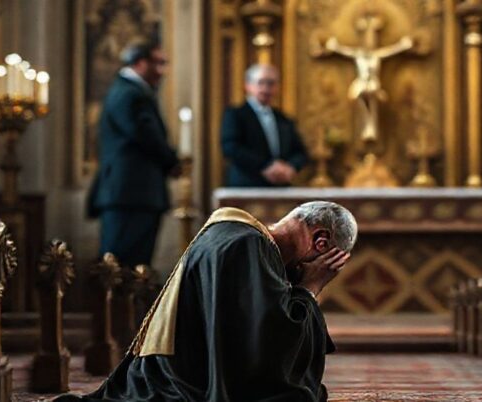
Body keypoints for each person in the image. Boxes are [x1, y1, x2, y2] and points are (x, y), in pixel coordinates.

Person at [57, 201, 357, 401]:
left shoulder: (239, 235)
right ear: (321, 242)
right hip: (180, 386)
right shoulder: (251, 248)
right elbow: (269, 343)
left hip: (168, 373)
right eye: (326, 262)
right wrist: (311, 287)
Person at [86, 40, 180, 268]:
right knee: (121, 268)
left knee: (132, 269)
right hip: (131, 194)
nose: (162, 71)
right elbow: (144, 135)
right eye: (157, 63)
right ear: (139, 63)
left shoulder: (130, 91)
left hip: (133, 194)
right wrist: (172, 161)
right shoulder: (129, 94)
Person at [221, 64, 309, 187]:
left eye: (271, 83)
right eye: (261, 82)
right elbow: (231, 147)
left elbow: (300, 152)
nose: (266, 88)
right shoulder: (236, 115)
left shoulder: (283, 119)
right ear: (248, 86)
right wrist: (265, 166)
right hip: (246, 186)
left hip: (280, 187)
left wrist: (290, 167)